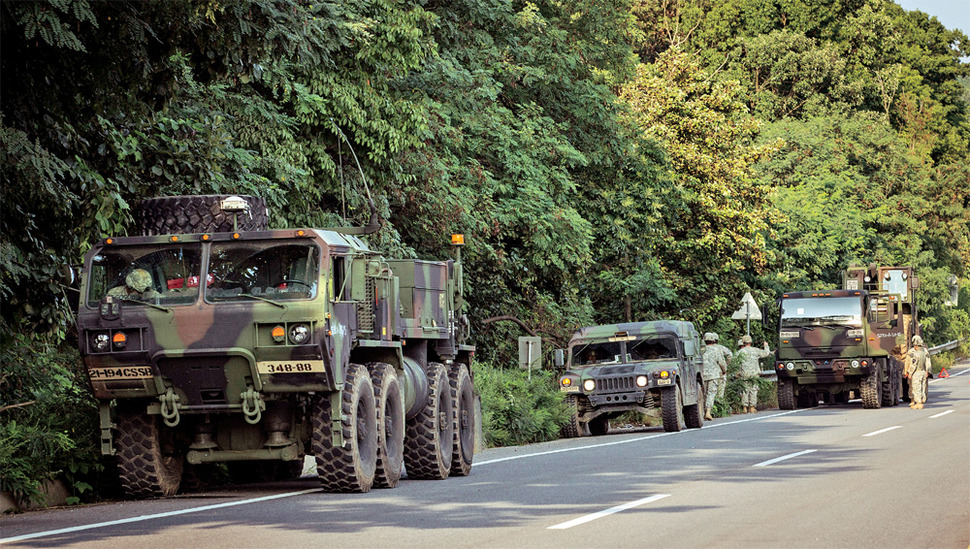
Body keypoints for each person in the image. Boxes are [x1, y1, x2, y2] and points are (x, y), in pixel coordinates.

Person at [737, 334, 773, 413]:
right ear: (750, 342)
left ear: (743, 342)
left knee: (744, 390)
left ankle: (744, 407)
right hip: (754, 374)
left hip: (744, 374)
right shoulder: (755, 350)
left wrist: (737, 374)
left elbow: (736, 364)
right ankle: (752, 407)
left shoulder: (739, 352)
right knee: (753, 390)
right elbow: (766, 353)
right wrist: (766, 346)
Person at [702, 333, 729, 420]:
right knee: (711, 393)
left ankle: (702, 412)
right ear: (713, 340)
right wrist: (724, 370)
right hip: (713, 375)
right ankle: (708, 412)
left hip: (701, 375)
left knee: (703, 394)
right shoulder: (716, 350)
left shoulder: (699, 350)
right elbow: (722, 362)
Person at [906, 335, 931, 409]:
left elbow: (913, 364)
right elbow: (928, 362)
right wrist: (927, 371)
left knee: (916, 388)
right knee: (922, 387)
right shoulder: (924, 351)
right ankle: (921, 401)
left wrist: (910, 373)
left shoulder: (916, 353)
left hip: (917, 373)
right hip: (923, 372)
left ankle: (919, 403)